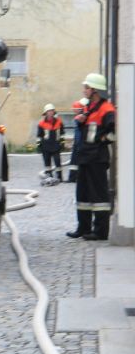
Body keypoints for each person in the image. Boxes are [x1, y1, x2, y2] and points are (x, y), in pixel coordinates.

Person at [66, 73, 115, 241]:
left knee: (99, 196)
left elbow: (114, 133)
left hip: (97, 158)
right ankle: (83, 228)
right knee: (83, 194)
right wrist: (81, 122)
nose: (84, 90)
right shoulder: (90, 108)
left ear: (95, 90)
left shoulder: (106, 109)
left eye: (86, 87)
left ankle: (100, 231)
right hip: (85, 157)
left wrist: (101, 141)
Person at [37, 103, 65, 181]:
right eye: (48, 111)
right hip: (45, 146)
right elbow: (39, 136)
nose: (50, 112)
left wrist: (62, 143)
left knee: (58, 162)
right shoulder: (41, 123)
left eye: (51, 111)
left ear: (54, 112)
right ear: (45, 113)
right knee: (47, 163)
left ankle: (59, 177)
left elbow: (62, 134)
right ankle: (49, 177)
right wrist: (39, 146)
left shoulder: (59, 122)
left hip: (56, 146)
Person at [67, 98, 89, 183]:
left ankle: (73, 178)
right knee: (74, 162)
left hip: (79, 143)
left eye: (74, 109)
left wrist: (78, 144)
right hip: (78, 143)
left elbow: (79, 133)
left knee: (76, 161)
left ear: (79, 109)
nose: (73, 111)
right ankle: (74, 178)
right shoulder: (82, 117)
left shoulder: (79, 118)